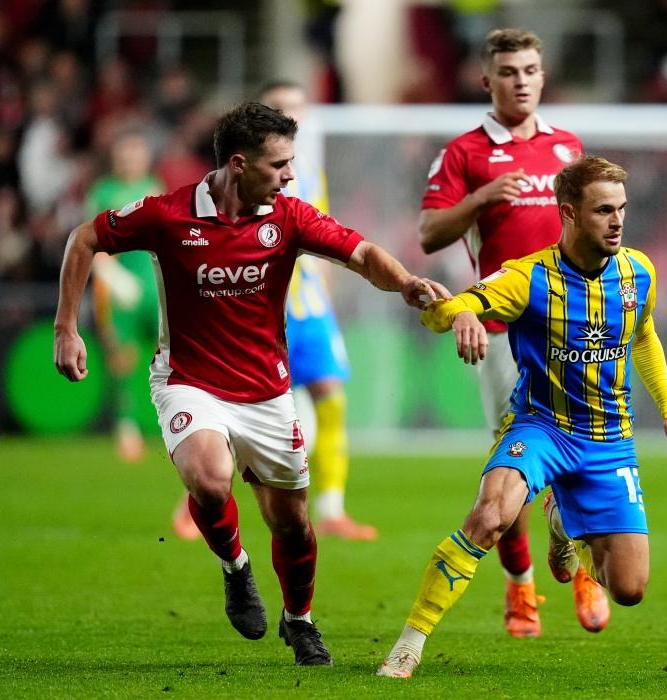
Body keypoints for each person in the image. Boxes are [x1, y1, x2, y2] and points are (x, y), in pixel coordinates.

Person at [53, 102, 447, 666]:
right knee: (210, 479)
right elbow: (83, 238)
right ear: (239, 164)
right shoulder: (167, 214)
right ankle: (236, 568)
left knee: (293, 524)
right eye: (279, 164)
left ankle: (300, 620)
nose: (290, 175)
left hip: (266, 390)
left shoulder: (288, 216)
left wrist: (405, 282)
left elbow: (360, 253)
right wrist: (67, 328)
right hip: (188, 380)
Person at [377, 156, 667, 678]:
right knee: (489, 517)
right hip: (541, 428)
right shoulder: (527, 278)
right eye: (603, 210)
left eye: (621, 209)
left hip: (609, 439)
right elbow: (442, 313)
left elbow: (644, 336)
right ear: (568, 213)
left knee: (629, 589)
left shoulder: (638, 272)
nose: (617, 221)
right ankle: (409, 644)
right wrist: (460, 312)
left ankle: (563, 521)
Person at [418, 27, 604, 638]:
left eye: (529, 70)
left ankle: (581, 563)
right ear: (486, 80)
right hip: (504, 332)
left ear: (542, 76)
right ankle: (521, 585)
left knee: (584, 451)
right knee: (515, 466)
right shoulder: (464, 153)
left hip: (574, 328)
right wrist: (481, 197)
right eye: (508, 71)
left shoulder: (567, 147)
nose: (520, 81)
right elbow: (429, 234)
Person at [171, 80, 377, 541]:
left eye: (299, 109)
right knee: (234, 413)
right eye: (283, 109)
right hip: (262, 309)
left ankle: (332, 508)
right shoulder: (244, 177)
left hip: (310, 308)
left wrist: (326, 289)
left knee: (331, 399)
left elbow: (323, 239)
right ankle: (196, 500)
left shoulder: (310, 174)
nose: (294, 117)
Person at [87, 130, 164, 463]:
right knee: (123, 358)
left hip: (155, 287)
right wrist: (114, 277)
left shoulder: (155, 187)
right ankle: (126, 427)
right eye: (126, 154)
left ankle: (179, 420)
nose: (131, 160)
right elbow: (91, 243)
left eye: (137, 153)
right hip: (119, 291)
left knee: (174, 355)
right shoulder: (103, 192)